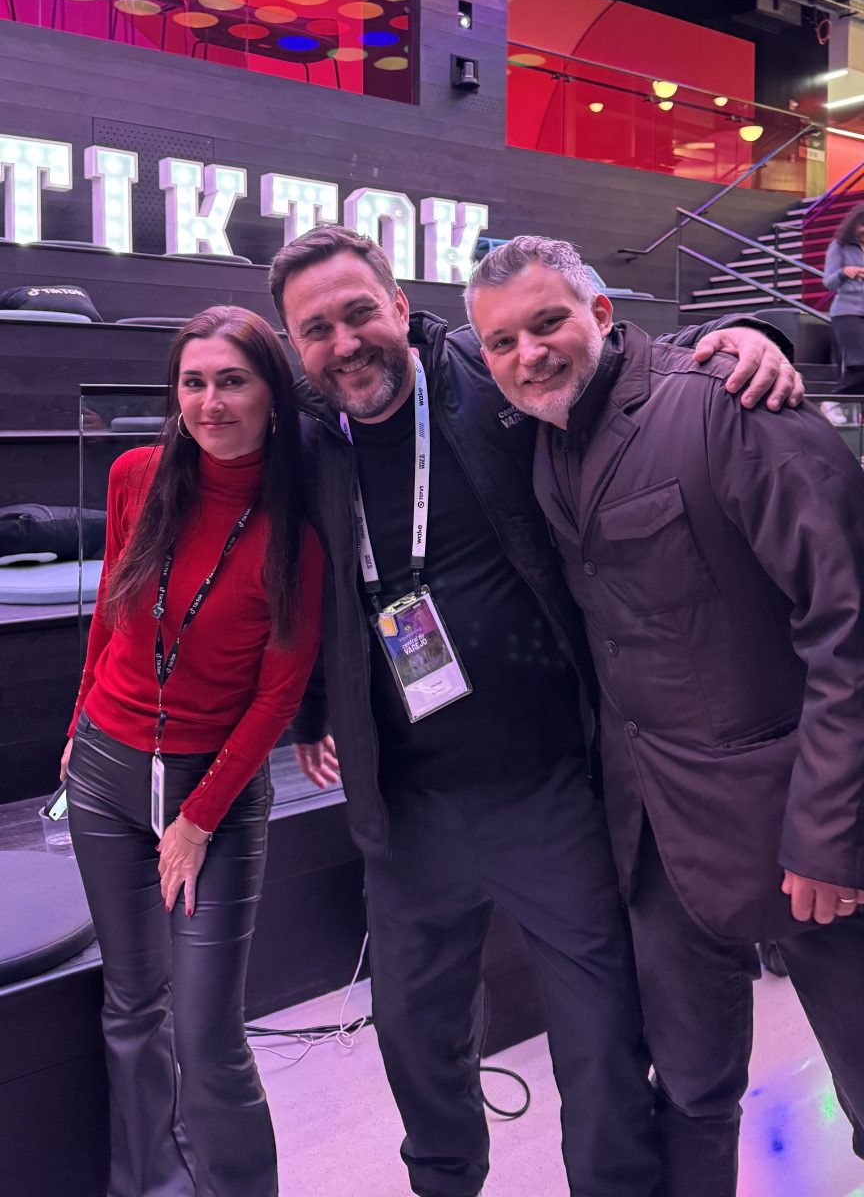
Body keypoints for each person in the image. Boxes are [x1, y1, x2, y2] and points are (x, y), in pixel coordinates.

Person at [268, 223, 801, 1197]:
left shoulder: (487, 382)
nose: (344, 343)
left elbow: (605, 358)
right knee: (416, 1043)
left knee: (601, 1042)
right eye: (316, 329)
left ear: (400, 307)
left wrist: (744, 334)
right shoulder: (301, 444)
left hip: (549, 787)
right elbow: (295, 584)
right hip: (407, 807)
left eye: (359, 313)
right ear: (294, 346)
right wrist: (310, 712)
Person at [466, 235, 864, 1197]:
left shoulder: (730, 404)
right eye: (503, 341)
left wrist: (831, 833)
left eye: (549, 322)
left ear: (602, 313)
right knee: (690, 1095)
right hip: (655, 834)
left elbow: (849, 623)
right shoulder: (542, 439)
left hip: (801, 827)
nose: (528, 354)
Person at [61, 305, 324, 1197]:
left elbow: (278, 695)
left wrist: (198, 819)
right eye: (194, 383)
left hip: (215, 795)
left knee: (209, 1039)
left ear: (273, 397)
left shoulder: (298, 526)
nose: (211, 403)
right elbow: (110, 608)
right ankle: (148, 1187)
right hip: (104, 770)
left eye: (233, 382)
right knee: (132, 1009)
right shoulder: (136, 476)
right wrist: (76, 731)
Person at [823, 201, 864, 398]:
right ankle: (832, 402)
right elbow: (828, 281)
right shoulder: (839, 246)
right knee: (859, 362)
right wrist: (844, 272)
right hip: (847, 311)